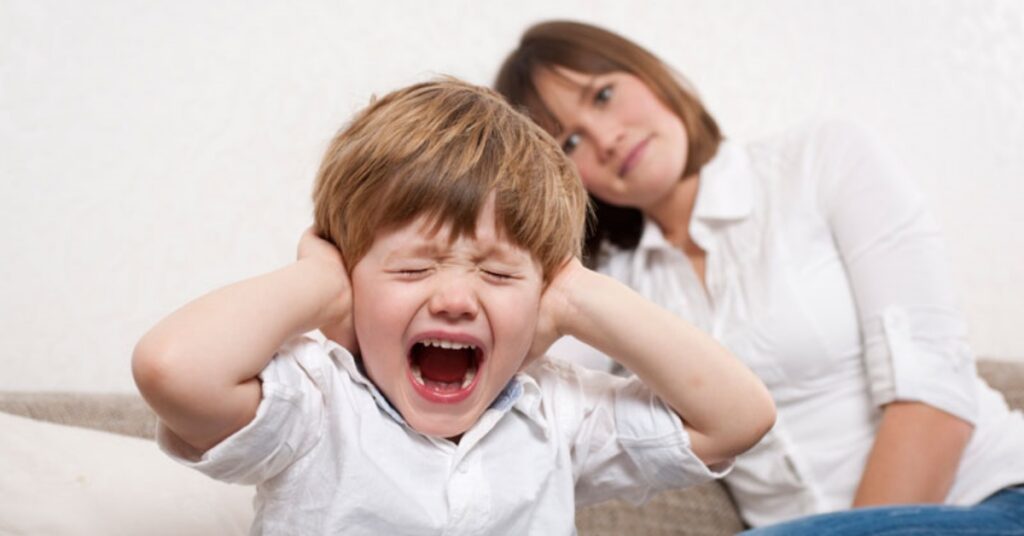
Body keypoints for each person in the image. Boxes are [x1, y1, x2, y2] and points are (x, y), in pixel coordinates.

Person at [131, 78, 775, 534]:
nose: (457, 298)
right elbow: (171, 369)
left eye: (498, 274)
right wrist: (319, 285)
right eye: (413, 268)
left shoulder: (556, 415)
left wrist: (581, 295)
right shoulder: (314, 402)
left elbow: (739, 417)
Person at [494, 20, 1024, 534]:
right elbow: (519, 393)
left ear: (651, 75)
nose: (606, 138)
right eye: (569, 143)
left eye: (603, 96)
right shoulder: (608, 284)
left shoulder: (822, 159)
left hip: (988, 498)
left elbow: (933, 394)